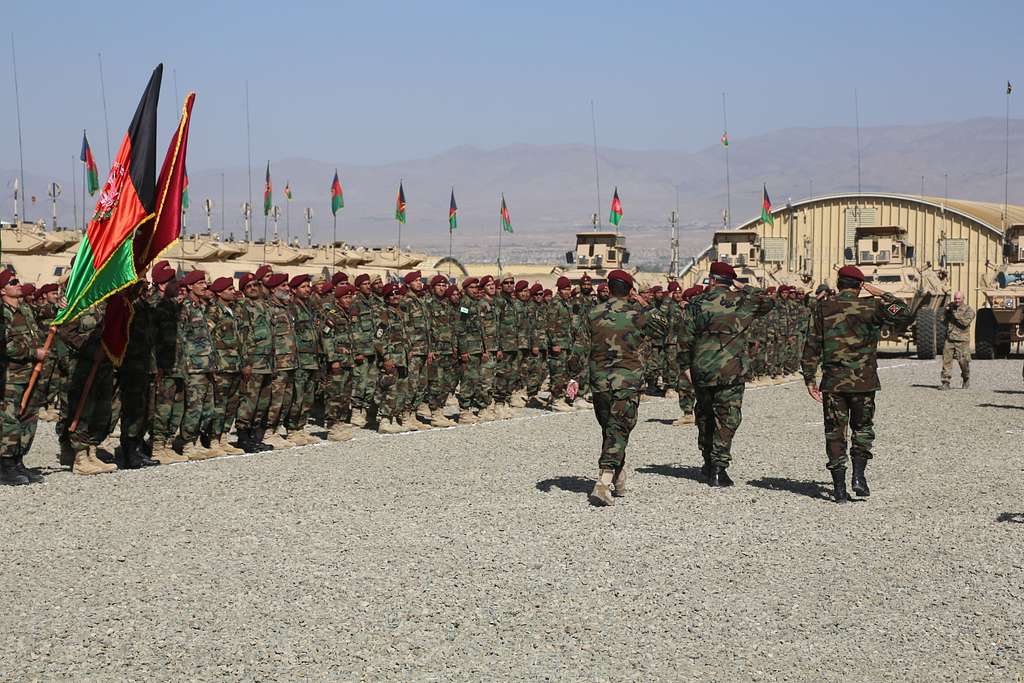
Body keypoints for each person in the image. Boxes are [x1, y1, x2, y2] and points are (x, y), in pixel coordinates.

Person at [801, 265, 912, 503]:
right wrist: (880, 293)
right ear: (859, 285)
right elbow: (904, 312)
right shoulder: (873, 306)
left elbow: (811, 344)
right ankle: (859, 477)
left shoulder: (823, 307)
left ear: (838, 282)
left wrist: (810, 377)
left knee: (835, 433)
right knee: (862, 429)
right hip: (864, 381)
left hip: (834, 383)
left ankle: (839, 489)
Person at [571, 269, 667, 506]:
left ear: (609, 287)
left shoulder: (593, 313)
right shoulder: (638, 313)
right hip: (628, 381)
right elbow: (664, 328)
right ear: (629, 289)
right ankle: (603, 481)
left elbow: (579, 349)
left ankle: (618, 475)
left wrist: (573, 377)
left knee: (611, 428)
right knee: (619, 428)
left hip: (601, 381)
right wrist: (645, 303)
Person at [678, 262, 774, 487]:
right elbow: (769, 301)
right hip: (732, 369)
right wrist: (744, 287)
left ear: (710, 280)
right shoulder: (742, 301)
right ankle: (719, 468)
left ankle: (708, 462)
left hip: (702, 368)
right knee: (728, 416)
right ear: (730, 281)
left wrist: (685, 367)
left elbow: (684, 339)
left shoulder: (696, 303)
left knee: (704, 415)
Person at [0, 271, 49, 485]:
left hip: (31, 374)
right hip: (11, 376)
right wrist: (33, 352)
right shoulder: (3, 313)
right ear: (3, 290)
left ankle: (19, 460)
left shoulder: (26, 309)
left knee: (28, 419)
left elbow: (42, 321)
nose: (19, 284)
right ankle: (5, 465)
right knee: (9, 420)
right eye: (13, 282)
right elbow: (6, 346)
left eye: (17, 280)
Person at [941, 291, 974, 390]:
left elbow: (965, 323)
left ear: (963, 299)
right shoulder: (951, 309)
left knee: (963, 361)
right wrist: (946, 312)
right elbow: (942, 321)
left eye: (959, 299)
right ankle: (945, 382)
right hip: (950, 338)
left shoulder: (969, 310)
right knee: (946, 361)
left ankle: (966, 378)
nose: (956, 301)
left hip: (962, 340)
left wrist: (954, 314)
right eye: (955, 298)